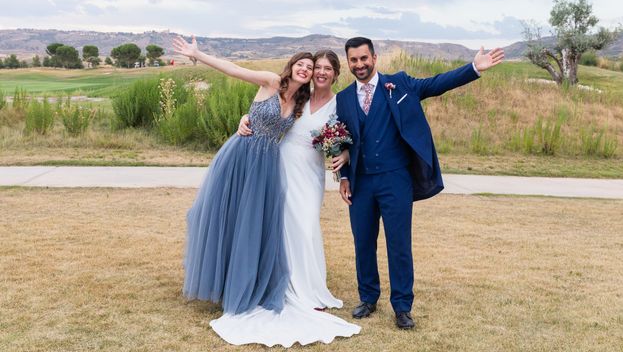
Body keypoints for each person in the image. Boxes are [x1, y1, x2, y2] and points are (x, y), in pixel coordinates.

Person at [336, 37, 505, 329]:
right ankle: (368, 298)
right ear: (348, 62)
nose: (360, 64)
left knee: (399, 244)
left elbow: (436, 84)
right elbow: (342, 142)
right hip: (362, 183)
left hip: (395, 180)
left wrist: (473, 69)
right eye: (354, 60)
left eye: (364, 58)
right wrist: (344, 177)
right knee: (363, 242)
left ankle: (402, 306)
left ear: (374, 58)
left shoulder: (400, 84)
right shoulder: (343, 98)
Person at [221, 50, 361, 347]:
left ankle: (310, 290)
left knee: (307, 227)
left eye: (325, 68)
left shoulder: (341, 103)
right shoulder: (300, 97)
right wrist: (246, 118)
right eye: (315, 68)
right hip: (279, 165)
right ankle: (280, 285)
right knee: (280, 227)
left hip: (309, 173)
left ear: (336, 73)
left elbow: (355, 136)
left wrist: (346, 154)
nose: (320, 72)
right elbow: (271, 112)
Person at [173, 34, 313, 316]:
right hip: (241, 155)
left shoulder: (301, 102)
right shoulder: (271, 81)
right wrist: (198, 55)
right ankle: (222, 282)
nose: (305, 69)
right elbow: (233, 69)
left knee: (253, 225)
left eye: (309, 68)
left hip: (267, 167)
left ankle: (247, 283)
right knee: (227, 216)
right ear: (292, 65)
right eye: (301, 63)